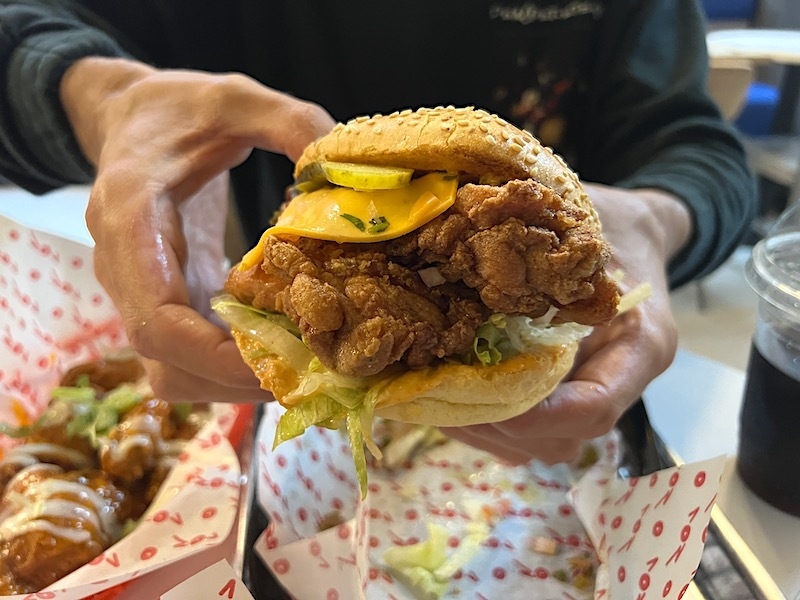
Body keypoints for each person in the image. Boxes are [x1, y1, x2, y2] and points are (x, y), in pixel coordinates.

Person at [0, 0, 756, 465]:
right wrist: (101, 97)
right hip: (287, 362)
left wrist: (659, 214)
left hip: (589, 380)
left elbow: (698, 147)